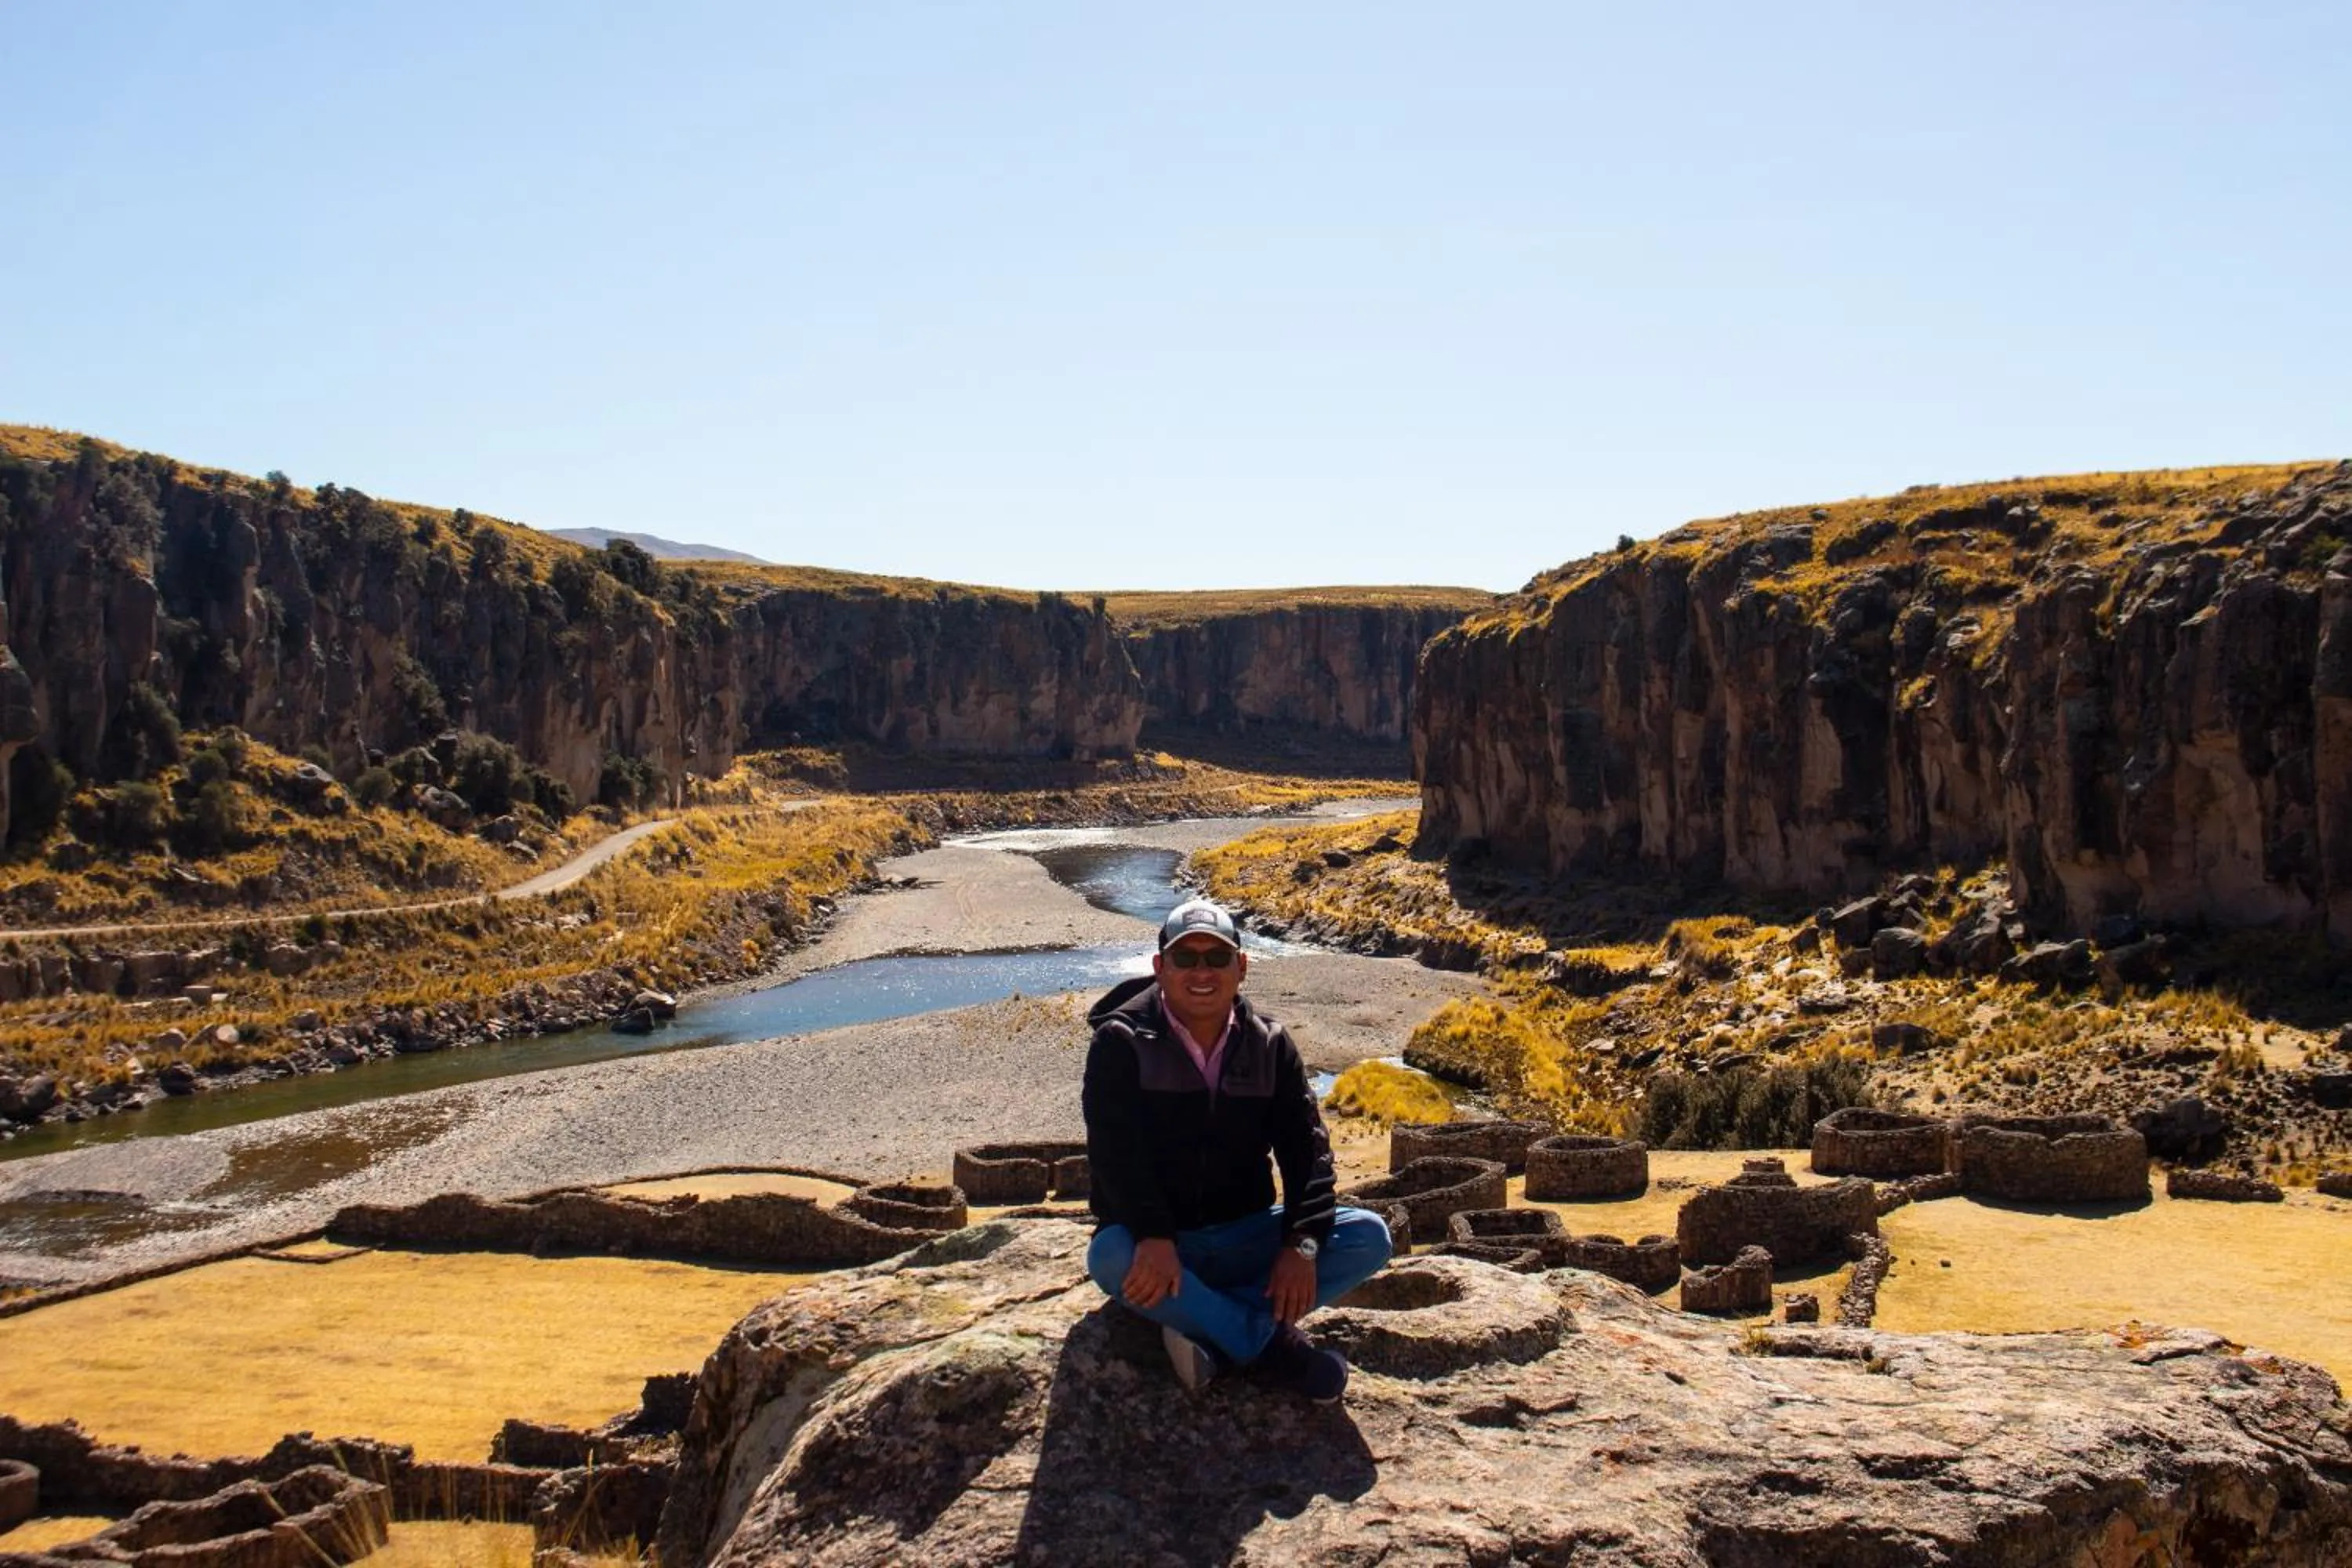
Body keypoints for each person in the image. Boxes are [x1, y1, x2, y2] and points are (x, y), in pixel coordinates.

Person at [1081, 897, 1392, 1401]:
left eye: (1216, 957)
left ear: (1241, 967)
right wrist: (1155, 1236)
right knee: (1110, 1255)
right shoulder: (1121, 1042)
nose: (1201, 971)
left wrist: (1302, 1245)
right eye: (1186, 958)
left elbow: (1309, 1156)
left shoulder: (1270, 1044)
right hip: (1163, 1247)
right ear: (1160, 968)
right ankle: (1266, 1344)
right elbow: (1116, 1157)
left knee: (1369, 1237)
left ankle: (1209, 1329)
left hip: (1246, 1238)